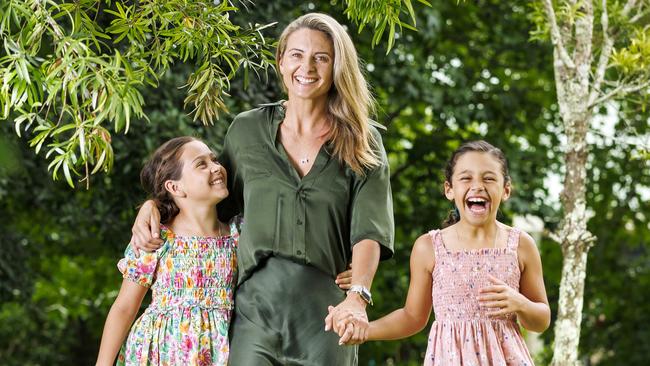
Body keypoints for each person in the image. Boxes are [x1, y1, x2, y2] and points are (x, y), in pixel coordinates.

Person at [129, 13, 394, 365]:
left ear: (336, 67)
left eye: (321, 58)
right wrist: (153, 206)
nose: (307, 67)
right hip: (254, 308)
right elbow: (207, 202)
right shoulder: (246, 130)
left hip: (326, 310)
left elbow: (369, 230)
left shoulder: (363, 141)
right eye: (297, 55)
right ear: (281, 61)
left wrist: (358, 295)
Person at [361, 141, 550, 365]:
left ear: (506, 189)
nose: (478, 186)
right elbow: (412, 317)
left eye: (488, 178)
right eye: (466, 178)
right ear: (449, 189)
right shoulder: (429, 247)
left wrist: (520, 304)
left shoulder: (520, 245)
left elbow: (541, 320)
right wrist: (366, 331)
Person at [96, 137, 238, 365]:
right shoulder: (156, 237)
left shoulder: (236, 235)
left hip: (216, 354)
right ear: (174, 187)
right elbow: (124, 307)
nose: (216, 168)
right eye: (201, 164)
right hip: (160, 353)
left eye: (214, 160)